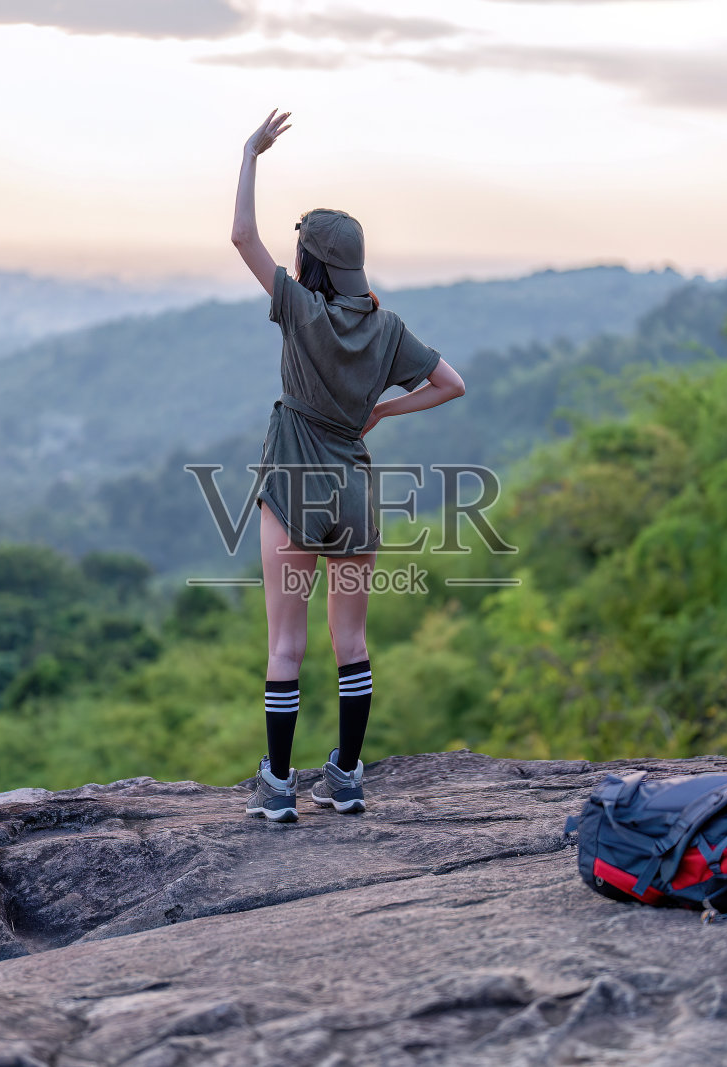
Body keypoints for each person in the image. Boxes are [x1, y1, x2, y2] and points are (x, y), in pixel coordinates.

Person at [230, 108, 466, 823]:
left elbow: (242, 235)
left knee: (286, 643)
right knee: (352, 642)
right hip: (355, 494)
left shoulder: (300, 310)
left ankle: (277, 787)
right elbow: (450, 383)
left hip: (293, 488)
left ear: (310, 264)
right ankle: (348, 777)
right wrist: (382, 411)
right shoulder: (386, 327)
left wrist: (250, 153)